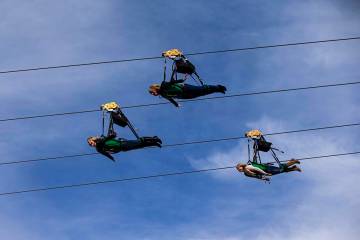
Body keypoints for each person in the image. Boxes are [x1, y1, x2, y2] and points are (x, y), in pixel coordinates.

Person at [149, 81, 227, 107]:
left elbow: (172, 82)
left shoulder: (163, 85)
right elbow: (170, 99)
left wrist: (180, 80)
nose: (153, 94)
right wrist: (176, 105)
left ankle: (217, 87)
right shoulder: (163, 95)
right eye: (152, 94)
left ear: (155, 88)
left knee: (200, 89)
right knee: (202, 93)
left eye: (152, 92)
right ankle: (217, 90)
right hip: (184, 95)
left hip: (184, 88)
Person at [87, 134, 162, 161]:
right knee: (140, 145)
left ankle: (154, 139)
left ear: (93, 140)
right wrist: (111, 158)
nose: (92, 144)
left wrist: (112, 136)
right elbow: (105, 154)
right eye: (90, 145)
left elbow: (106, 139)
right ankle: (154, 143)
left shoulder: (100, 141)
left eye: (91, 142)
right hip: (123, 148)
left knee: (139, 142)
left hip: (122, 144)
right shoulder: (98, 148)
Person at [236, 159, 301, 181]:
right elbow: (256, 176)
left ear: (241, 166)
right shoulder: (246, 174)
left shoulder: (247, 167)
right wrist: (264, 178)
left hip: (266, 169)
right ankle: (294, 168)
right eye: (239, 170)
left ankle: (293, 162)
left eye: (239, 169)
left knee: (281, 169)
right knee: (282, 170)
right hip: (267, 172)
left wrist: (265, 174)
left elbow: (257, 169)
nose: (239, 170)